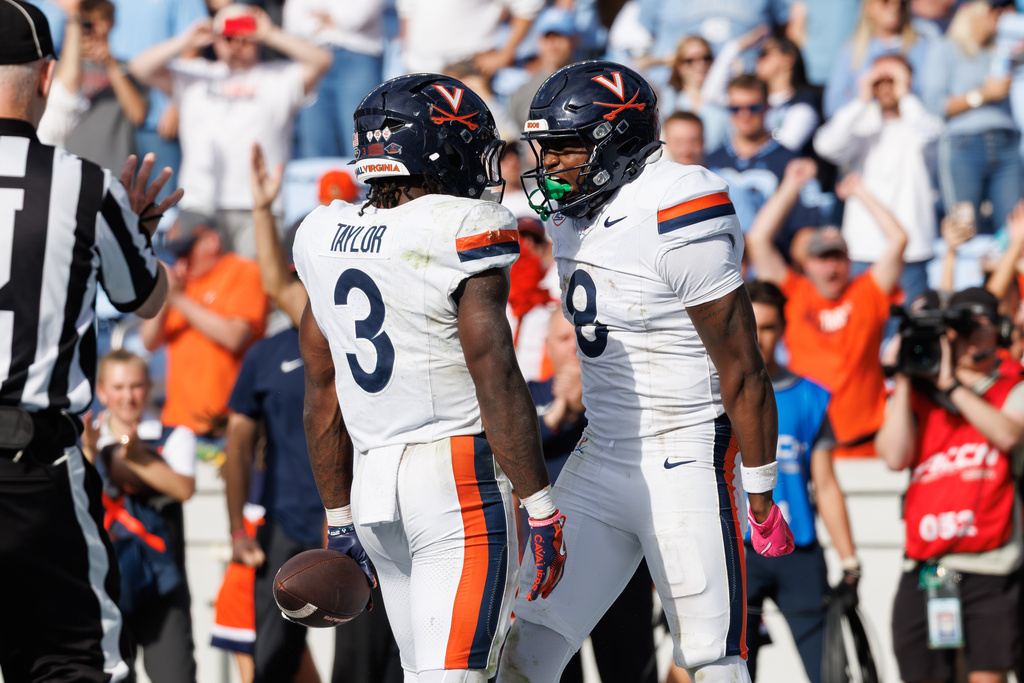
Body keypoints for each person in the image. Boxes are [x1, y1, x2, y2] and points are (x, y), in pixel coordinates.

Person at [498, 60, 792, 683]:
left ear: (617, 143)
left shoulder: (678, 199)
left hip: (685, 453)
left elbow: (742, 366)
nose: (548, 167)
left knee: (713, 658)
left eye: (564, 149)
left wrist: (760, 489)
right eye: (542, 151)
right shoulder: (570, 208)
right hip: (602, 449)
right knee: (524, 652)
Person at [293, 74, 564, 682]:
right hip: (456, 482)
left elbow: (321, 392)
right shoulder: (461, 224)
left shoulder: (322, 233)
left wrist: (339, 518)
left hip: (372, 485)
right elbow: (494, 373)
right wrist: (541, 504)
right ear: (436, 148)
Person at [0, 2, 181, 680]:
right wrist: (139, 232)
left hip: (35, 454)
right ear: (48, 78)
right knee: (76, 662)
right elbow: (149, 297)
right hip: (33, 468)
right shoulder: (86, 186)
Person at [876, 286, 1023, 683]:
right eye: (962, 327)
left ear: (1003, 332)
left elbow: (1008, 435)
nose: (972, 336)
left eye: (984, 326)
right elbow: (893, 456)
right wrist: (906, 379)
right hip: (926, 564)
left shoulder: (1012, 384)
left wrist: (952, 385)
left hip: (990, 562)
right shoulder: (920, 395)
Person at [129, 3, 332, 258]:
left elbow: (323, 60)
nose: (237, 44)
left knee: (257, 290)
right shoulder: (195, 75)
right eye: (228, 36)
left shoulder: (280, 76)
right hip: (200, 202)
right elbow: (139, 68)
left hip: (260, 206)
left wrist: (270, 33)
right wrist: (187, 40)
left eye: (244, 36)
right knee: (199, 287)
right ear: (215, 38)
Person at [746, 160, 908, 458]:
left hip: (866, 443)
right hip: (811, 446)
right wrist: (791, 185)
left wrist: (860, 192)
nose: (831, 266)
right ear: (806, 263)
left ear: (849, 262)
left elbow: (899, 240)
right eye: (822, 258)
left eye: (838, 258)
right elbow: (757, 240)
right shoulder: (795, 293)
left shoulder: (868, 293)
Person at [744, 280, 860, 683]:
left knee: (830, 673)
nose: (760, 337)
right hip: (738, 552)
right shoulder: (711, 394)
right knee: (728, 673)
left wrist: (850, 562)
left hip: (798, 549)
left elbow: (825, 484)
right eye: (752, 325)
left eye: (770, 326)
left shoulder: (810, 397)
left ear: (783, 329)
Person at [84, 350, 198, 683]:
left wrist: (135, 459)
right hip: (105, 584)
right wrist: (91, 453)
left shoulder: (173, 436)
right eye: (118, 387)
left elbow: (183, 489)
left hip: (163, 580)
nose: (127, 396)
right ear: (102, 391)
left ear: (148, 387)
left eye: (135, 386)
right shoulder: (85, 439)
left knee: (174, 675)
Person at [814, 54, 944, 305]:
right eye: (878, 80)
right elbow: (826, 146)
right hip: (863, 248)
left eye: (892, 79)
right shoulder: (862, 123)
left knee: (910, 335)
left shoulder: (920, 122)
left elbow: (931, 136)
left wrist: (905, 94)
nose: (885, 86)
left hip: (912, 250)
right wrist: (861, 98)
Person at [139, 212, 267, 438]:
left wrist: (179, 299)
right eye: (176, 253)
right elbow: (148, 341)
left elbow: (234, 336)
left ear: (212, 241)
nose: (181, 261)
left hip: (226, 423)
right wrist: (167, 296)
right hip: (178, 422)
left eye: (186, 250)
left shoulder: (244, 272)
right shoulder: (180, 283)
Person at [922, 0, 1021, 235]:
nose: (1001, 16)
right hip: (963, 146)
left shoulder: (1005, 49)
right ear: (972, 12)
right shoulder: (946, 49)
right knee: (964, 228)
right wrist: (984, 95)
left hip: (1006, 144)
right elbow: (934, 104)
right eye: (994, 10)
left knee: (1015, 229)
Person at [705, 74, 824, 261]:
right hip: (719, 266)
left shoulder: (791, 162)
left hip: (772, 267)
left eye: (753, 107)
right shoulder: (710, 161)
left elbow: (806, 230)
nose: (744, 115)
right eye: (735, 108)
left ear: (767, 108)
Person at [284, 0, 385, 160]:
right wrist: (329, 20)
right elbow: (292, 24)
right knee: (315, 149)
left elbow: (357, 17)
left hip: (357, 56)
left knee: (362, 149)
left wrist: (318, 19)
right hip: (312, 59)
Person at [824, 0, 933, 118]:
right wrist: (865, 99)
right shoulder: (851, 51)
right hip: (863, 130)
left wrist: (904, 94)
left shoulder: (922, 47)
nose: (894, 7)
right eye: (885, 2)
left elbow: (931, 101)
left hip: (909, 128)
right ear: (869, 7)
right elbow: (833, 107)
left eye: (901, 3)